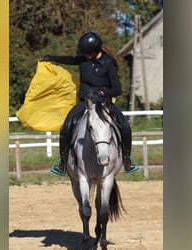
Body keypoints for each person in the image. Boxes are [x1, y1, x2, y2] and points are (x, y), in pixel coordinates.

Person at [41, 31, 139, 176]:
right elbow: (71, 59)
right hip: (84, 102)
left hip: (104, 104)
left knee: (125, 127)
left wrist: (102, 93)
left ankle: (126, 159)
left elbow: (117, 89)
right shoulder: (84, 60)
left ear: (95, 51)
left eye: (87, 53)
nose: (84, 56)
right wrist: (51, 58)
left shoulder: (108, 64)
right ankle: (62, 162)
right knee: (66, 126)